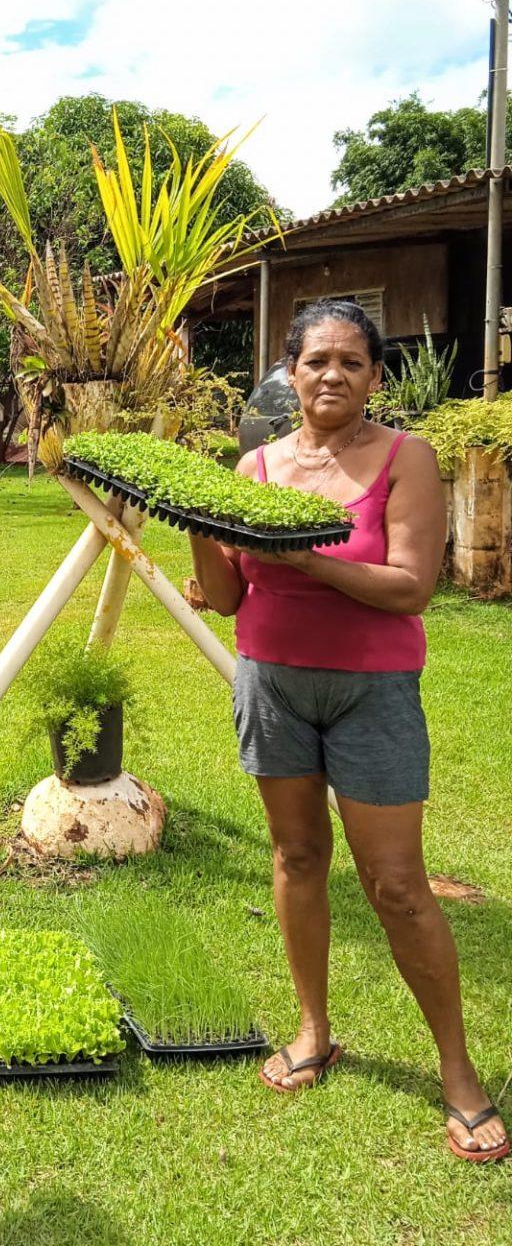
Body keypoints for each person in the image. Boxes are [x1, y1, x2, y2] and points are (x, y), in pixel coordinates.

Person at [190, 298, 508, 1164]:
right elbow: (226, 599)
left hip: (374, 692)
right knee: (296, 859)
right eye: (316, 360)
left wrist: (306, 560)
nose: (333, 375)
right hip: (271, 684)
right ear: (290, 373)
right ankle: (313, 1029)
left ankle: (458, 1074)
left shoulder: (408, 457)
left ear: (375, 376)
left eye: (352, 362)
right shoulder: (253, 466)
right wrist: (198, 530)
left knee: (398, 883)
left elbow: (410, 586)